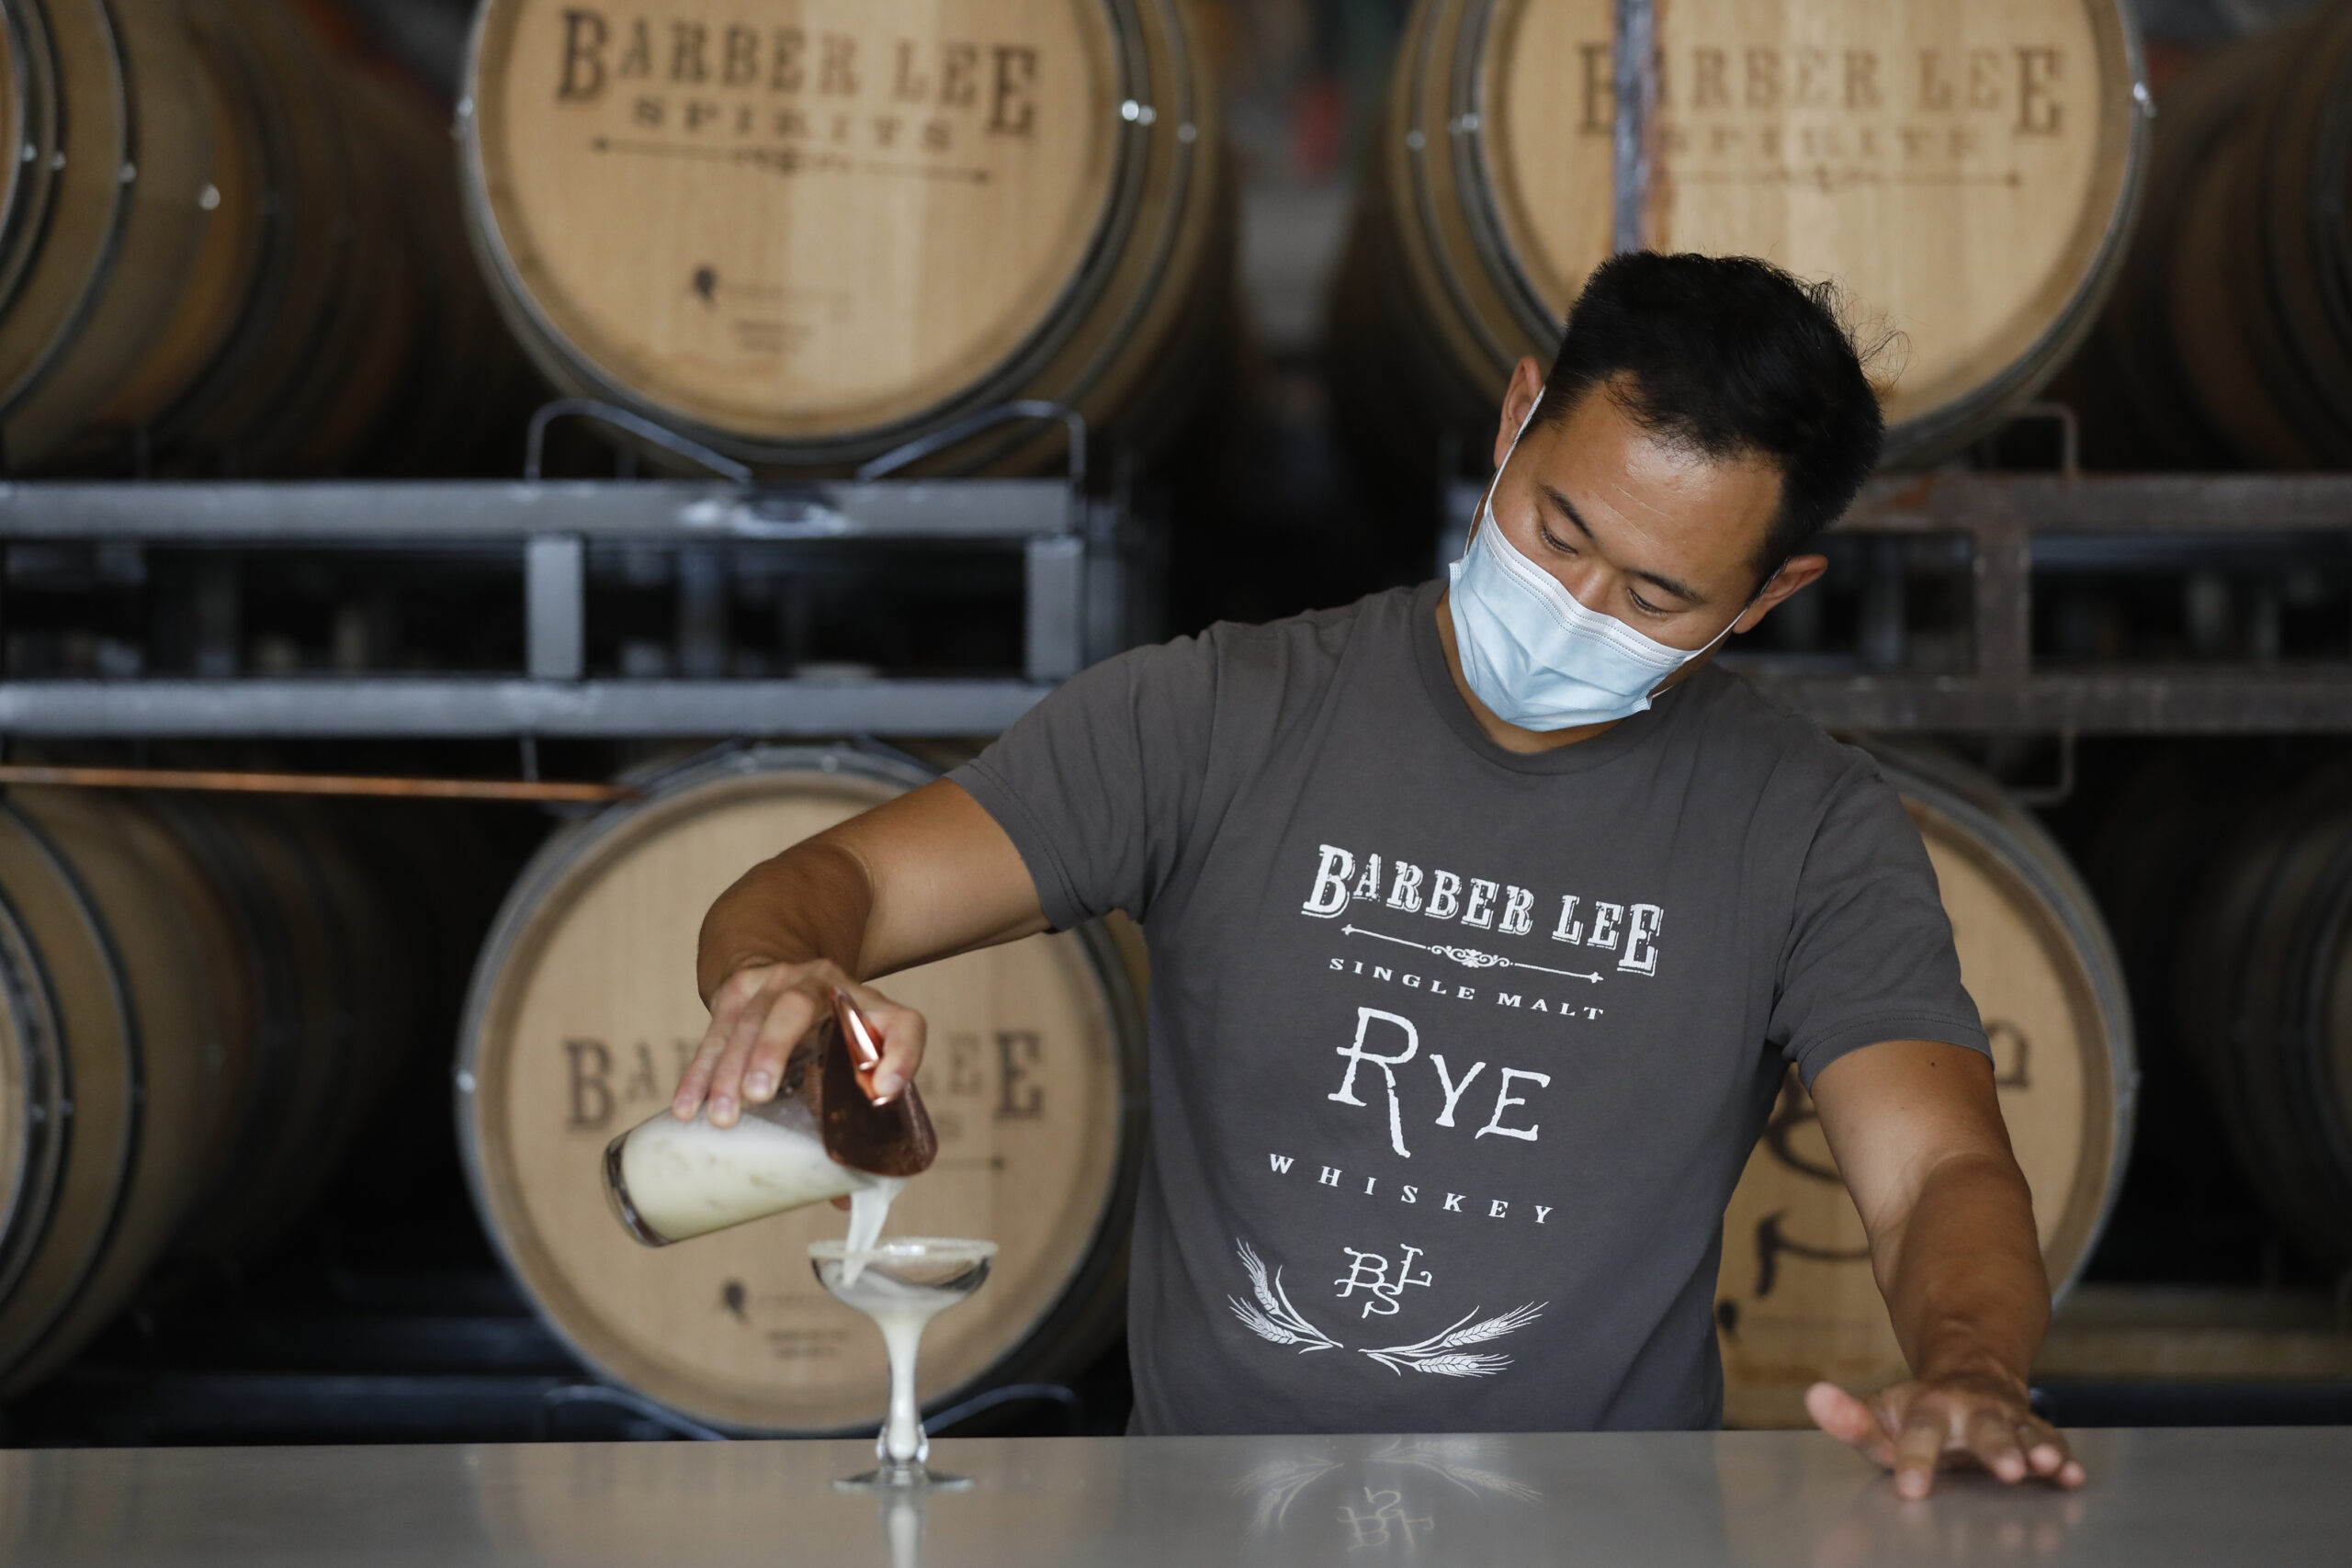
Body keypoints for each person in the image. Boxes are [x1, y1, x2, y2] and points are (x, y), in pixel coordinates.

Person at [671, 252, 2084, 1498]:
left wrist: (1971, 1368)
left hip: (1609, 1535)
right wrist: (779, 972)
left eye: (1658, 597)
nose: (1575, 610)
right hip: (1209, 1528)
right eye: (1556, 531)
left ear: (1774, 594)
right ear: (1519, 414)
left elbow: (1936, 1171)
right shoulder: (1216, 715)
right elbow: (826, 884)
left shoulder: (1809, 827)